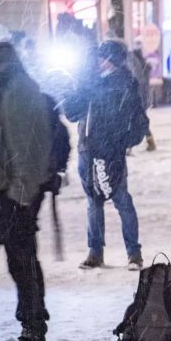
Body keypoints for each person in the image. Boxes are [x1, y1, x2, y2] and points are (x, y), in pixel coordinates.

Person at [0, 28, 52, 341]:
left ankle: (33, 331)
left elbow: (28, 145)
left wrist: (21, 193)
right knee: (22, 263)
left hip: (11, 194)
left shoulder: (18, 87)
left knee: (23, 265)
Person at [63, 39, 148, 271]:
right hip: (88, 150)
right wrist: (72, 90)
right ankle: (95, 252)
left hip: (110, 152)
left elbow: (140, 121)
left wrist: (123, 141)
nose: (98, 60)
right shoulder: (90, 82)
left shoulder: (124, 85)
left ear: (111, 60)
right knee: (93, 202)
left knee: (121, 200)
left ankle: (133, 253)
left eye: (102, 56)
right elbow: (72, 112)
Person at [127, 41, 156, 151]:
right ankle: (150, 142)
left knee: (135, 121)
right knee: (141, 120)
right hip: (142, 97)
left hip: (137, 97)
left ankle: (129, 147)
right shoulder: (143, 66)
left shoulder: (135, 66)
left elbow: (137, 82)